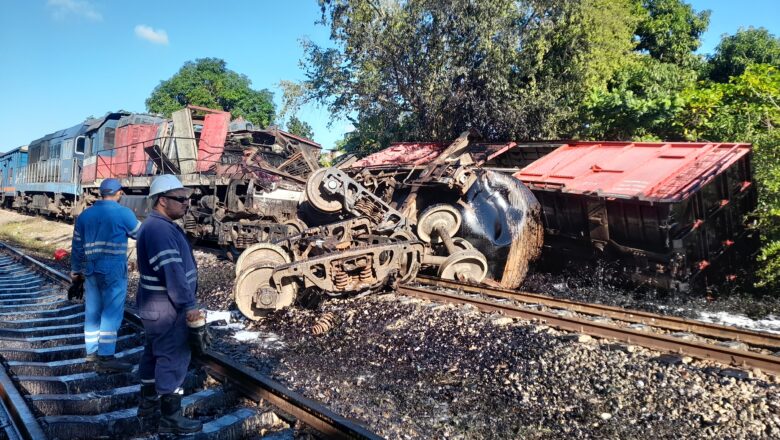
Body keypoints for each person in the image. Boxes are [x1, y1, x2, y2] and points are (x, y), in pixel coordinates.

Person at [135, 174, 211, 435]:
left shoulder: (158, 225)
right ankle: (170, 417)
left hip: (155, 306)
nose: (186, 203)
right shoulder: (159, 230)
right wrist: (190, 307)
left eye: (187, 198)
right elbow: (173, 272)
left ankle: (147, 403)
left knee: (153, 353)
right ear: (162, 200)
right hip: (168, 308)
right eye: (180, 199)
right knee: (173, 358)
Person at [70, 178, 141, 373]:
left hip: (91, 269)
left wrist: (75, 271)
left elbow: (76, 247)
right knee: (111, 312)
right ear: (118, 193)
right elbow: (140, 234)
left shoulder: (85, 216)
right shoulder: (124, 213)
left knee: (92, 311)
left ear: (101, 193)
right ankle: (106, 357)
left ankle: (91, 352)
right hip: (114, 269)